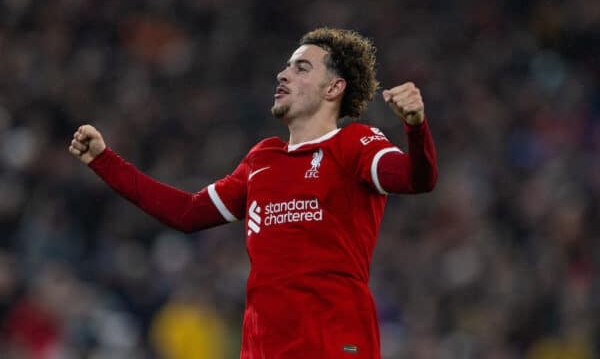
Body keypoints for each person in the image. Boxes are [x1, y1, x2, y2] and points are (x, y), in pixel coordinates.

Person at [68, 28, 438, 358]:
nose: (283, 74)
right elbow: (187, 213)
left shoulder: (354, 143)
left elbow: (415, 178)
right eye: (286, 67)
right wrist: (104, 160)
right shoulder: (263, 159)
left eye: (301, 68)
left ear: (334, 87)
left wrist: (416, 128)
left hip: (333, 344)